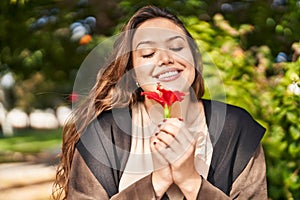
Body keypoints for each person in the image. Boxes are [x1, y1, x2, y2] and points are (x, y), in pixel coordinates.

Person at [53, 5, 267, 200]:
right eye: (148, 53)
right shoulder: (103, 134)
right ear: (133, 74)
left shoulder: (237, 128)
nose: (165, 59)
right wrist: (158, 180)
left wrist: (190, 180)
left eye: (176, 47)